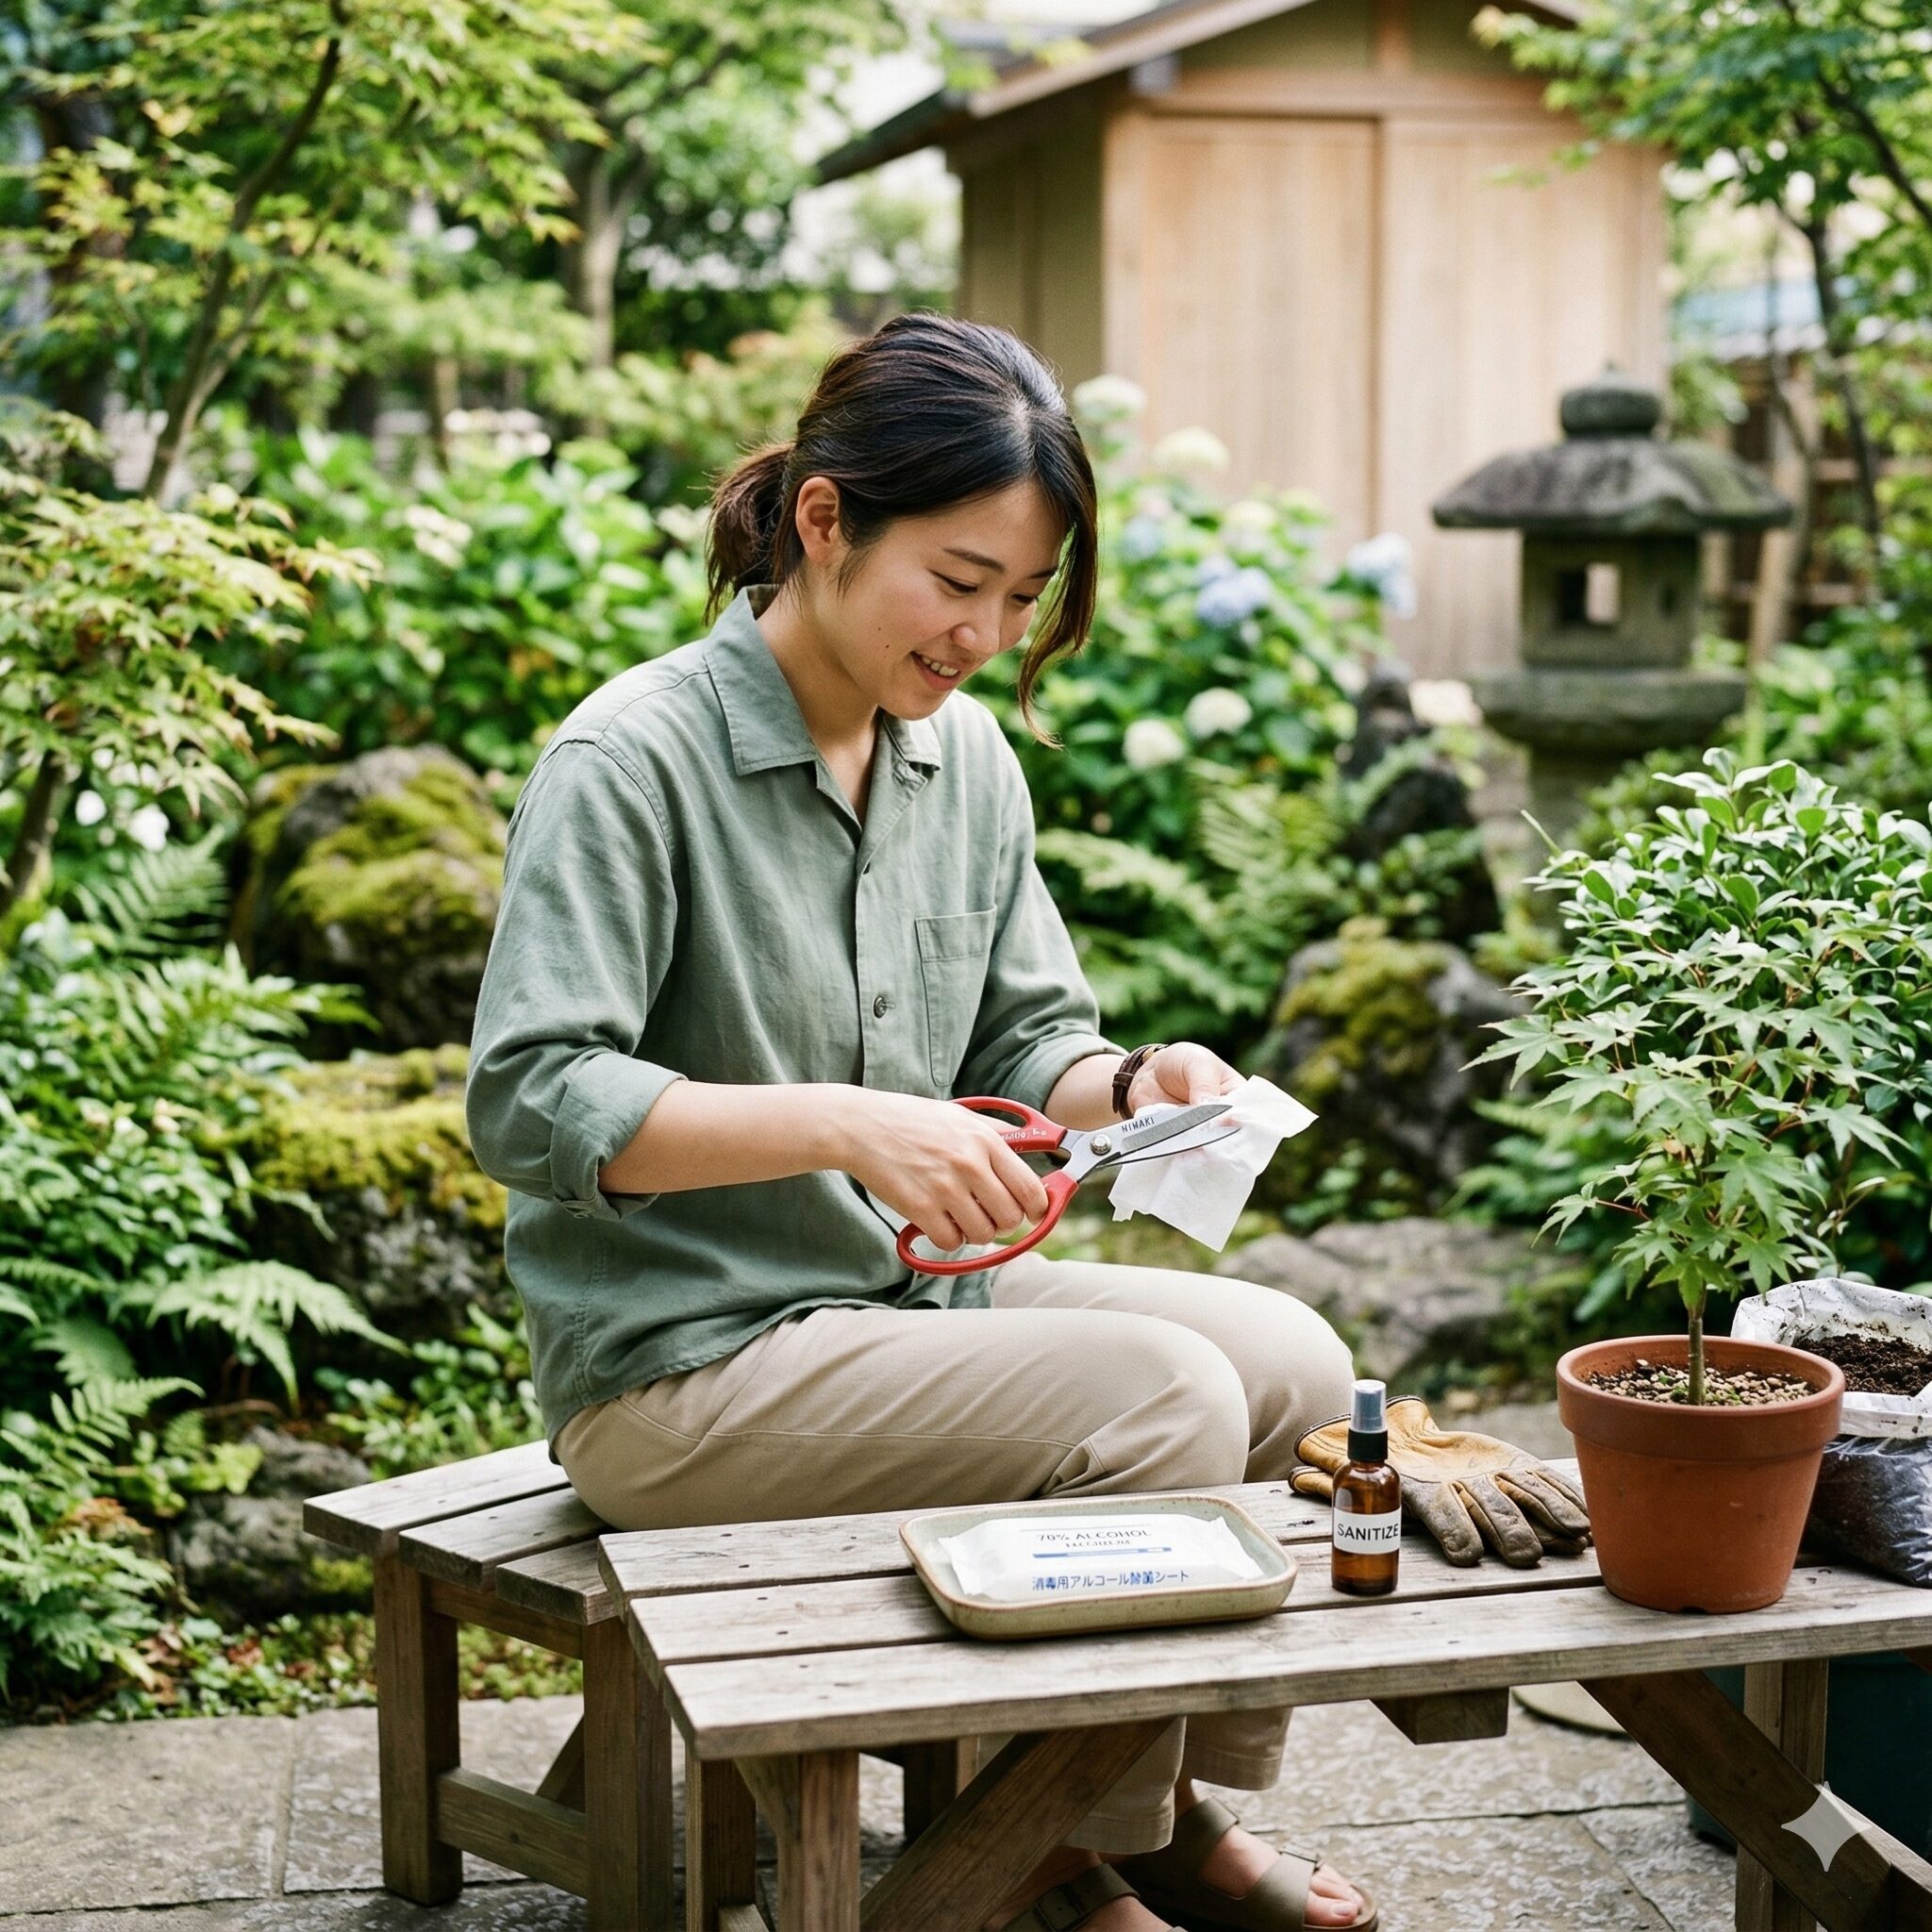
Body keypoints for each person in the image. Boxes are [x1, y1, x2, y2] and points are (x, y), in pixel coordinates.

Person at [465, 312, 1374, 1932]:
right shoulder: (631, 759)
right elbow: (535, 1099)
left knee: (1291, 1361)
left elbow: (1034, 1041)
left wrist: (1137, 1088)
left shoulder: (966, 764)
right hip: (686, 1364)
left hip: (901, 1309)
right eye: (957, 584)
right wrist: (848, 1125)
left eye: (1020, 599)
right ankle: (1055, 1859)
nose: (983, 635)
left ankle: (1148, 1810)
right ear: (824, 521)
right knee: (1158, 1394)